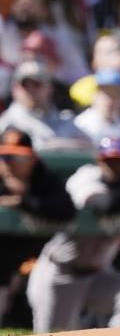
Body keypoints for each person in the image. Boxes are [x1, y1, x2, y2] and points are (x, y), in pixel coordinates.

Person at [26, 136, 120, 333]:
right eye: (109, 160)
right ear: (99, 160)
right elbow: (105, 204)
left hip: (98, 275)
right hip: (60, 274)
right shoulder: (86, 176)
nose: (114, 166)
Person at [0, 128, 76, 322]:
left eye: (17, 158)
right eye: (5, 157)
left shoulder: (43, 178)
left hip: (37, 259)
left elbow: (67, 209)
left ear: (32, 159)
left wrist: (24, 202)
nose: (9, 164)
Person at [74, 69, 120, 155]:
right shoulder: (79, 126)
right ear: (94, 95)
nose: (109, 100)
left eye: (116, 94)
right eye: (105, 93)